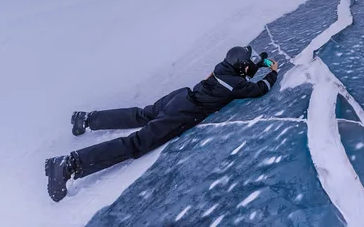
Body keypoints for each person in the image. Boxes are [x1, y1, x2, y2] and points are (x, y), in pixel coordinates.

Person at [45, 46, 279, 202]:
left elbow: (241, 68)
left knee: (141, 114)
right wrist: (273, 73)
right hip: (185, 112)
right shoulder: (236, 83)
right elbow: (259, 89)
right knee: (135, 143)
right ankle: (69, 164)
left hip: (179, 97)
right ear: (242, 67)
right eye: (248, 65)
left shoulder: (222, 68)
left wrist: (259, 63)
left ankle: (86, 119)